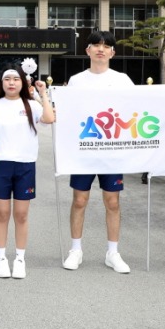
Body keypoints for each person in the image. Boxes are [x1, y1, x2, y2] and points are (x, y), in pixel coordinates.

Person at [63, 31, 133, 274]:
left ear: (113, 52)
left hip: (112, 152)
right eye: (96, 45)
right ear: (88, 50)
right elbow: (68, 113)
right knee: (79, 200)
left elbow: (140, 106)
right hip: (84, 150)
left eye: (106, 46)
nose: (101, 49)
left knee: (112, 201)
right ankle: (75, 250)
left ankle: (113, 253)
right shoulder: (76, 81)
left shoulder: (122, 80)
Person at [0, 68, 54, 279]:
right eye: (7, 79)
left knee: (21, 215)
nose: (11, 83)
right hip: (0, 164)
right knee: (2, 213)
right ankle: (1, 257)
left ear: (22, 83)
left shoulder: (31, 105)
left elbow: (49, 118)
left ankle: (20, 259)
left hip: (25, 165)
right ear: (1, 83)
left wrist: (43, 93)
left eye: (15, 79)